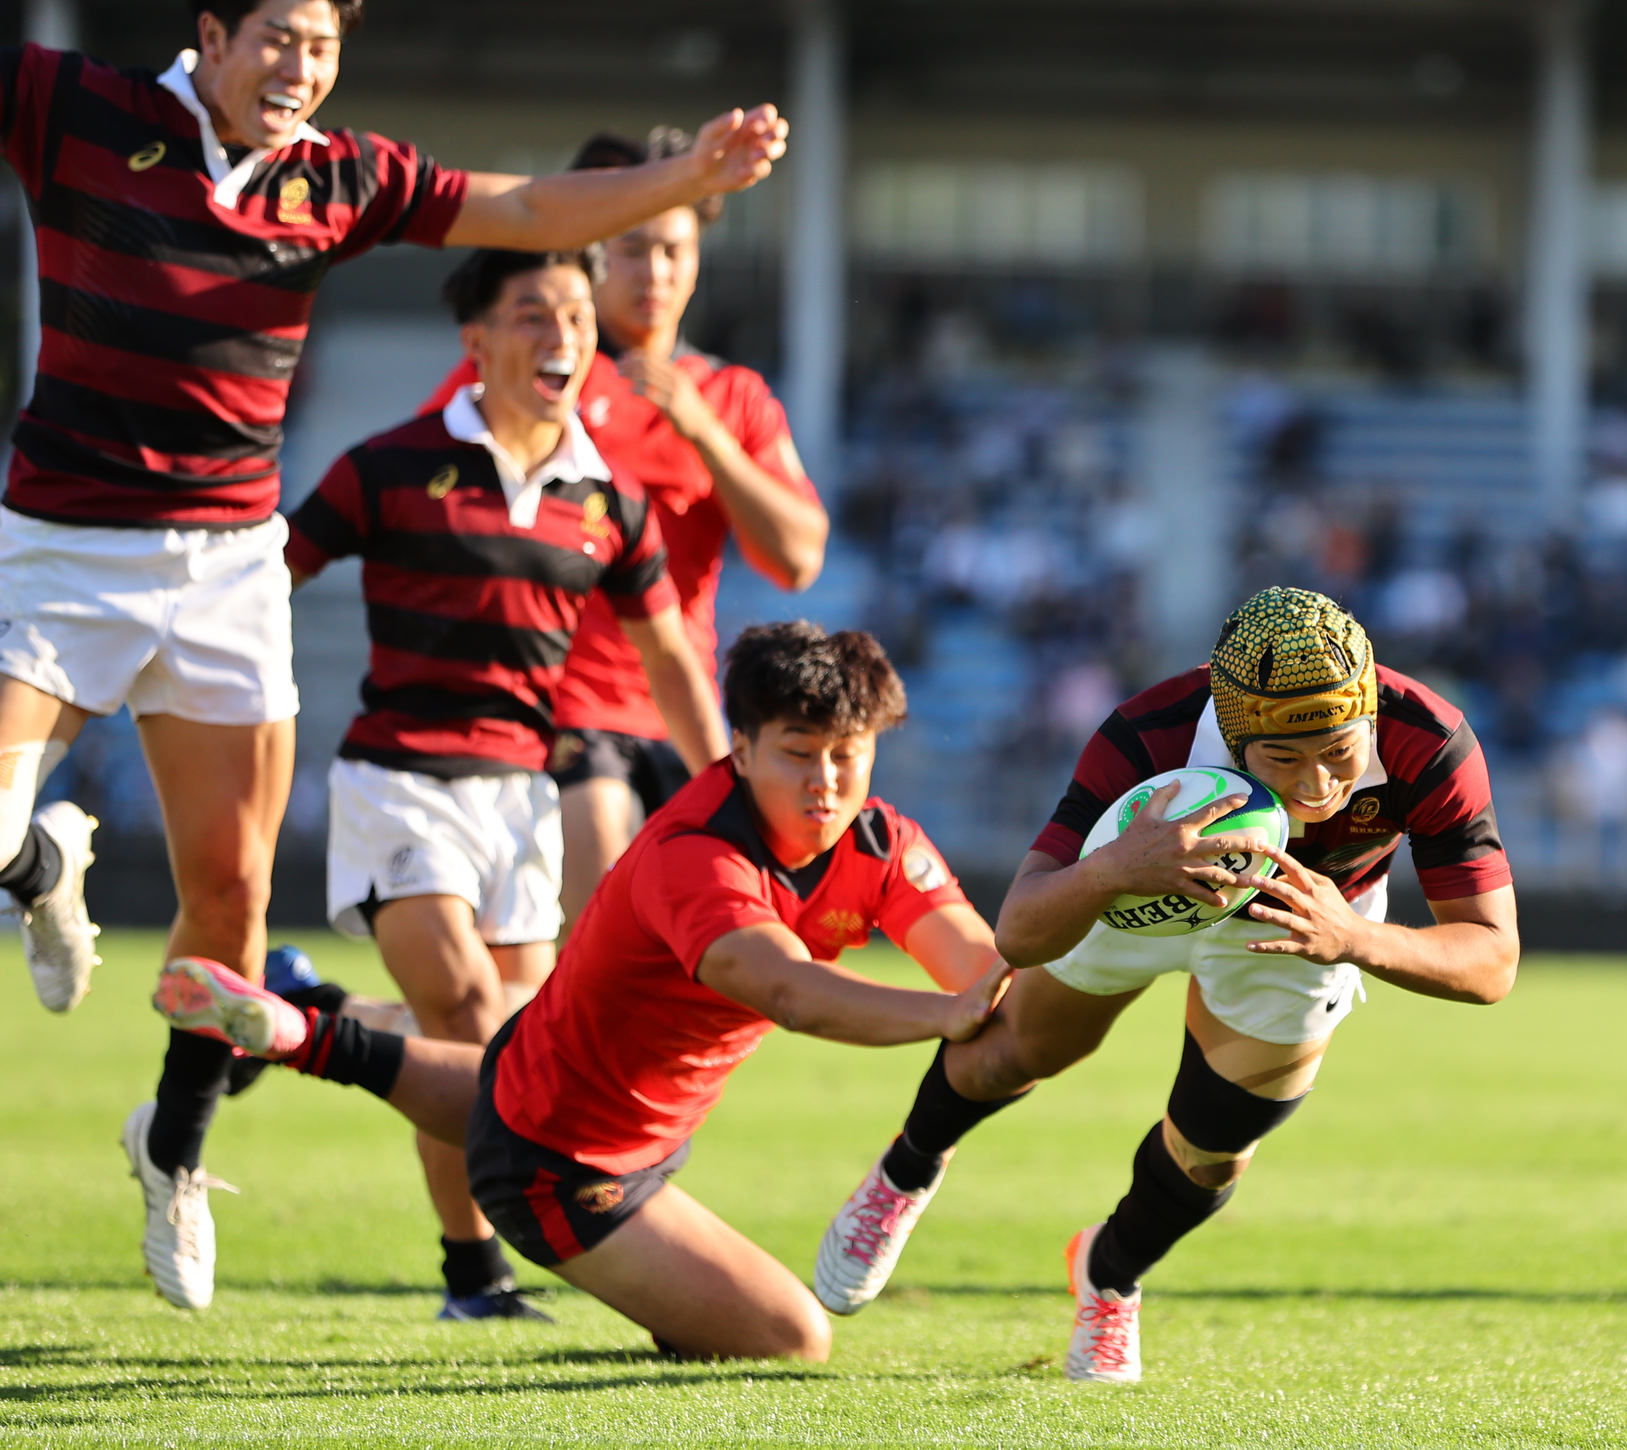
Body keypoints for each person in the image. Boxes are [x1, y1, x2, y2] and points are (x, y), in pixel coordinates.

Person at [0, 0, 785, 1312]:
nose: (302, 71)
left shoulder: (342, 175)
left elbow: (530, 209)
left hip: (225, 566)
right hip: (66, 548)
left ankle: (175, 1150)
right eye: (279, 40)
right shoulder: (71, 106)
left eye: (322, 46)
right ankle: (43, 860)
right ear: (210, 30)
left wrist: (692, 175)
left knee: (232, 907)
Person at [149, 622, 1009, 1357]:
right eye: (798, 755)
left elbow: (981, 964)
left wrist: (1027, 986)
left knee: (509, 1094)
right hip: (569, 1171)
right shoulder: (699, 855)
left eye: (847, 757)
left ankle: (308, 1027)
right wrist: (950, 1016)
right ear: (740, 749)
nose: (825, 783)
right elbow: (787, 990)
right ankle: (321, 1031)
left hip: (546, 1087)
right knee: (791, 1335)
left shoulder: (882, 839)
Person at [809, 585, 1519, 1383]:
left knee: (1217, 1145)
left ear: (1371, 720)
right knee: (1015, 1049)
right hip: (1137, 891)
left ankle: (1108, 1275)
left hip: (1306, 920)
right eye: (1285, 758)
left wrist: (1354, 938)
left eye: (1340, 754)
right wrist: (1116, 869)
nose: (1318, 787)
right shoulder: (1152, 733)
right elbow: (1019, 925)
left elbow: (1493, 960)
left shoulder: (1430, 741)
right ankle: (905, 1172)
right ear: (1236, 734)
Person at [274, 246, 733, 1320]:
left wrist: (726, 799)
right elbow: (265, 581)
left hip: (521, 796)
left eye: (576, 313)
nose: (564, 333)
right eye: (534, 314)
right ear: (475, 341)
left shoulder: (609, 503)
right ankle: (471, 1273)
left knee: (520, 1050)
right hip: (398, 783)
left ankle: (310, 1017)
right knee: (472, 1015)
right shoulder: (385, 467)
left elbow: (668, 659)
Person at [424, 129, 827, 923]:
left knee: (670, 986)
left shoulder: (731, 395)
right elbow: (426, 491)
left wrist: (703, 432)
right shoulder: (534, 372)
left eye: (675, 251)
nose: (657, 274)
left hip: (679, 721)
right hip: (553, 717)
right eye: (634, 251)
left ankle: (321, 1018)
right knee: (594, 952)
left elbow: (798, 557)